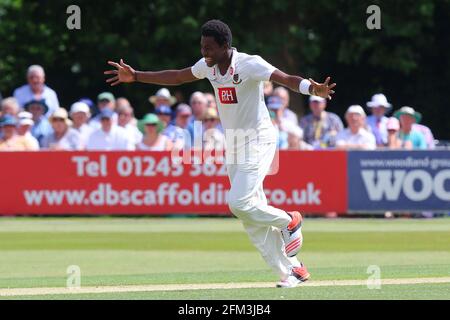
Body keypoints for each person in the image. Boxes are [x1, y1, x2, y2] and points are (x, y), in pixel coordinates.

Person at [104, 19, 335, 287]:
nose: (205, 53)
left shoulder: (250, 63)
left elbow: (285, 79)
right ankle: (292, 271)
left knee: (239, 203)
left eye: (210, 48)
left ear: (226, 45)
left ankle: (289, 220)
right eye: (202, 47)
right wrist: (136, 76)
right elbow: (178, 75)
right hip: (234, 143)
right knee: (250, 218)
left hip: (258, 139)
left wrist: (311, 89)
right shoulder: (209, 66)